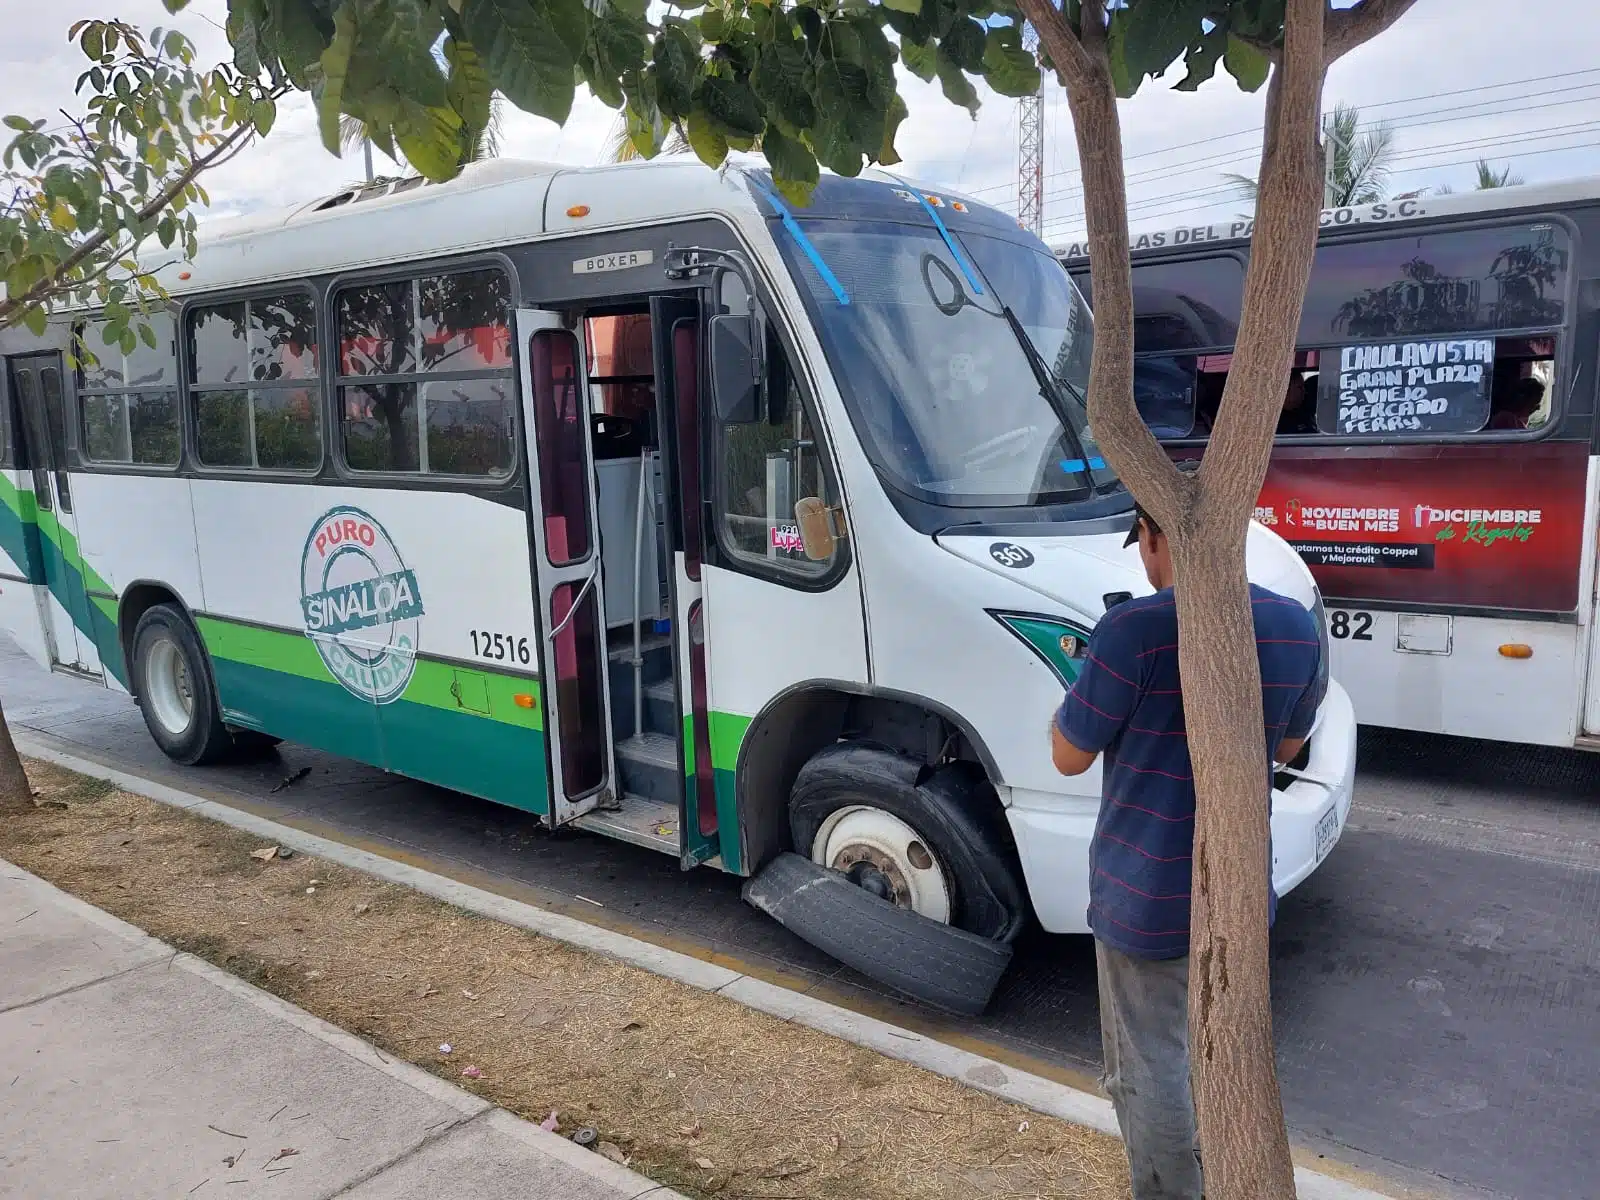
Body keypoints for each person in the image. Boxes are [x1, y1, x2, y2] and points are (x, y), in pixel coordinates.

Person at [1048, 499, 1325, 1200]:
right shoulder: (1293, 626)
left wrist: (1078, 682)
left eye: (1142, 541)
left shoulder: (1132, 631)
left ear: (1156, 536)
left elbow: (1068, 755)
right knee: (1217, 1060)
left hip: (1142, 896)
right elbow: (1288, 747)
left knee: (1150, 1071)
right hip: (1234, 893)